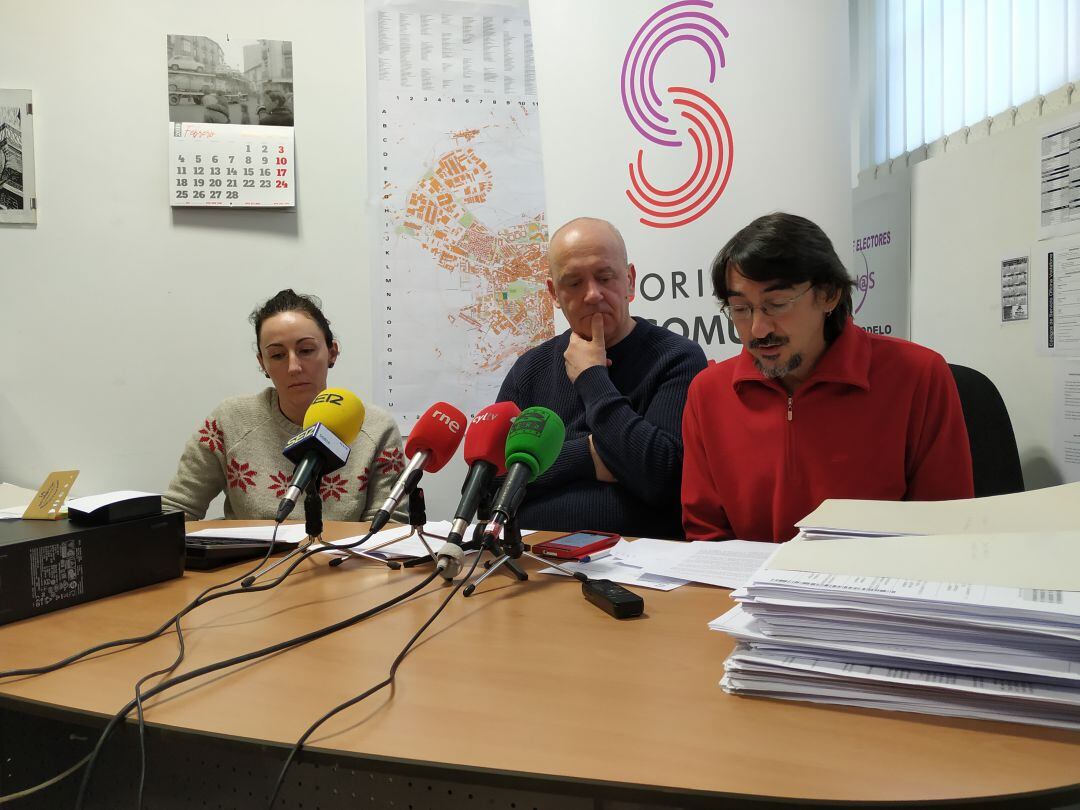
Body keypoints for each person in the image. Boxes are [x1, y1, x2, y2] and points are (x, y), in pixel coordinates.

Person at [681, 212, 973, 542]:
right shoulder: (709, 394)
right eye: (740, 309)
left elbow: (945, 529)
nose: (758, 329)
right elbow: (706, 536)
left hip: (876, 587)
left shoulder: (918, 376)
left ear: (829, 295)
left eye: (776, 304)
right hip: (748, 590)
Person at [496, 217, 708, 538]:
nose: (593, 294)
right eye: (574, 283)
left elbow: (662, 479)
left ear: (630, 280)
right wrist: (590, 456)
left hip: (641, 561)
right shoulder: (529, 371)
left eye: (605, 277)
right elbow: (488, 489)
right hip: (534, 558)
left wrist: (592, 378)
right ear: (554, 293)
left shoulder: (676, 358)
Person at [161, 290, 406, 522]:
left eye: (306, 350)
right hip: (253, 565)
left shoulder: (376, 428)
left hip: (344, 564)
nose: (294, 367)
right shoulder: (230, 421)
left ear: (332, 352)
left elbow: (389, 528)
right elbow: (177, 510)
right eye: (277, 355)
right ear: (262, 363)